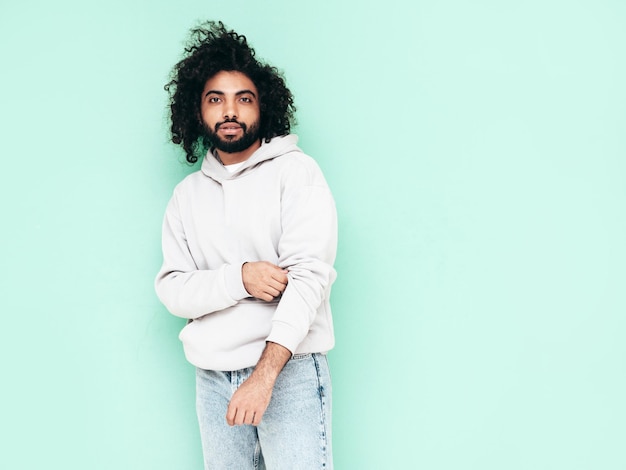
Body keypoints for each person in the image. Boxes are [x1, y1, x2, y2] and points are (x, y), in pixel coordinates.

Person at [155, 21, 337, 469]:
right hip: (212, 376)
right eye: (215, 99)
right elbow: (173, 289)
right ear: (197, 111)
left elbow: (309, 279)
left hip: (287, 369)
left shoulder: (295, 173)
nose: (230, 111)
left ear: (263, 107)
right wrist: (239, 278)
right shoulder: (186, 197)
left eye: (244, 99)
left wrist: (264, 376)